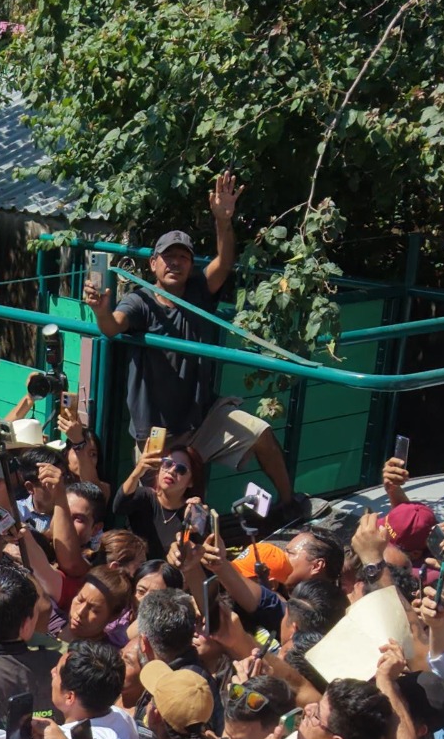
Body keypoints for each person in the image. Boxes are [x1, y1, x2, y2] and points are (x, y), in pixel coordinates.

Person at [82, 173, 294, 500]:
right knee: (155, 503)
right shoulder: (140, 300)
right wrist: (100, 310)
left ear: (190, 265)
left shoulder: (198, 291)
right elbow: (112, 327)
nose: (175, 263)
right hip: (157, 432)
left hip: (201, 418)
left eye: (183, 257)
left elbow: (224, 262)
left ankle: (289, 502)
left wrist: (223, 220)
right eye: (168, 257)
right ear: (153, 263)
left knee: (261, 432)